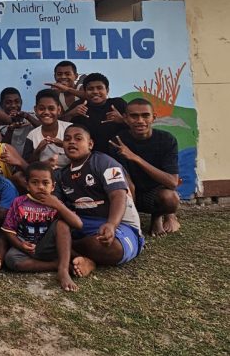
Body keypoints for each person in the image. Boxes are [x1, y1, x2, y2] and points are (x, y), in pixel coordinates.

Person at [57, 124, 144, 277]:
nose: (72, 142)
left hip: (119, 224)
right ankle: (80, 255)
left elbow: (118, 195)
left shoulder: (104, 162)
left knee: (110, 248)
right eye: (67, 139)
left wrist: (111, 224)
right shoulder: (62, 174)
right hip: (83, 224)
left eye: (78, 139)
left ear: (90, 144)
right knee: (48, 232)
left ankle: (74, 253)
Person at [0, 162, 82, 292]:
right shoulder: (19, 202)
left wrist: (58, 206)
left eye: (45, 183)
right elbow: (8, 230)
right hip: (26, 250)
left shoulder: (56, 203)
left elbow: (78, 224)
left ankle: (63, 270)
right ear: (27, 185)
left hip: (49, 247)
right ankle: (56, 265)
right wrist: (20, 245)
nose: (40, 187)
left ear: (53, 186)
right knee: (11, 260)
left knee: (62, 224)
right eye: (35, 183)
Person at [109, 98, 181, 236]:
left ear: (153, 117)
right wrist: (134, 224)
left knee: (171, 199)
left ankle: (158, 216)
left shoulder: (166, 140)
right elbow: (126, 183)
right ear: (125, 118)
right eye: (134, 116)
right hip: (130, 192)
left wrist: (136, 158)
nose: (140, 120)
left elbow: (172, 182)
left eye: (145, 115)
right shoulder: (117, 141)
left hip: (156, 191)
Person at [63, 73, 127, 153]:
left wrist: (122, 120)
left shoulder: (118, 103)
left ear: (107, 90)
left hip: (118, 155)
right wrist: (71, 114)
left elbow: (136, 126)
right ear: (85, 91)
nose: (95, 92)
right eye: (90, 89)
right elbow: (60, 125)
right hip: (88, 156)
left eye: (99, 88)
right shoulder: (79, 105)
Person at [22, 89, 71, 169]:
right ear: (35, 110)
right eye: (41, 109)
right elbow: (27, 163)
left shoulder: (69, 129)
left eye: (51, 109)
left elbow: (82, 153)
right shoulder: (32, 135)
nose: (46, 112)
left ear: (58, 110)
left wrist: (63, 144)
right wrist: (37, 151)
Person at [0, 87, 39, 155]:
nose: (13, 105)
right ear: (1, 105)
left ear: (21, 102)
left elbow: (44, 128)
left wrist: (26, 116)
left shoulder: (32, 117)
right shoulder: (1, 127)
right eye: (8, 102)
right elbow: (2, 148)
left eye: (17, 102)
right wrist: (11, 129)